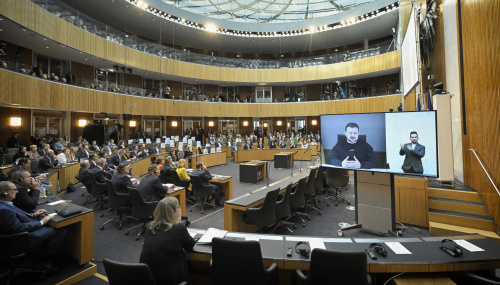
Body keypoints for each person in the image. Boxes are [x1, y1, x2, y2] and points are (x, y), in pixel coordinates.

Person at [0, 181, 67, 272]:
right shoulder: (4, 210)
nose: (17, 191)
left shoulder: (4, 204)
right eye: (14, 190)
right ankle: (42, 260)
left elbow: (16, 217)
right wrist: (41, 222)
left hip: (11, 237)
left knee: (49, 227)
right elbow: (18, 228)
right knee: (60, 230)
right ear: (4, 192)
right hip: (20, 239)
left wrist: (33, 215)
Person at [139, 197, 195, 285]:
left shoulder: (150, 226)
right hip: (169, 279)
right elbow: (191, 246)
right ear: (174, 211)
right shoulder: (178, 228)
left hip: (150, 277)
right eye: (178, 207)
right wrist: (178, 221)